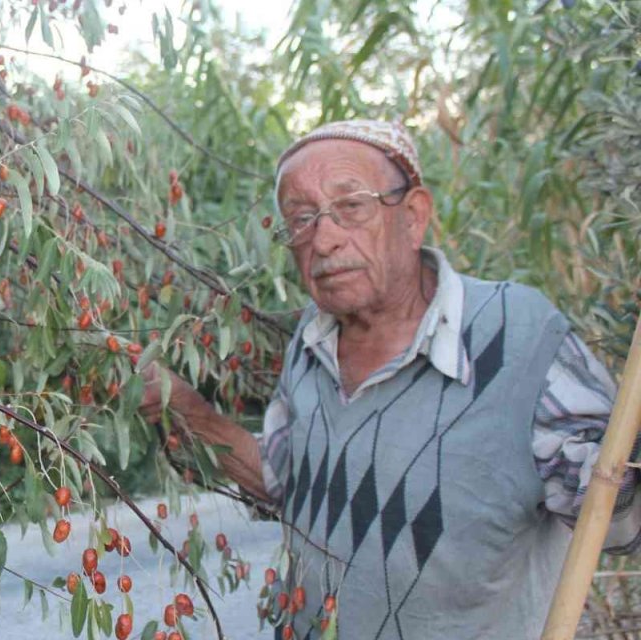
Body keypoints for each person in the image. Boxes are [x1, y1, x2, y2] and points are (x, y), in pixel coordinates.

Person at [137, 119, 639, 639]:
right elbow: (286, 483)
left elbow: (618, 515)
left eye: (351, 206)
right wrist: (185, 407)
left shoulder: (517, 336)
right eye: (301, 219)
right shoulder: (312, 340)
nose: (324, 239)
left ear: (414, 215)